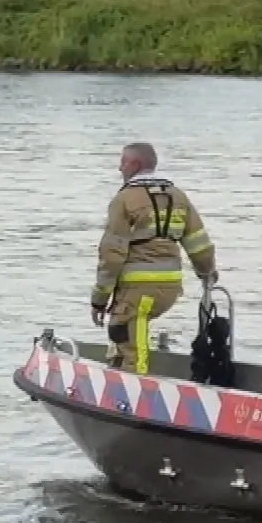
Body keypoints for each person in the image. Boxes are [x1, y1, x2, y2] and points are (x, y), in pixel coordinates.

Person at [90, 142, 217, 374]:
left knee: (131, 345)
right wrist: (207, 273)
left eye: (123, 162)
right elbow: (199, 243)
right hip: (170, 287)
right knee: (121, 329)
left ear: (135, 165)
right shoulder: (177, 196)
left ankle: (133, 392)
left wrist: (99, 298)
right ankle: (117, 372)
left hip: (137, 287)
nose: (120, 168)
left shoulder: (125, 200)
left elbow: (112, 254)